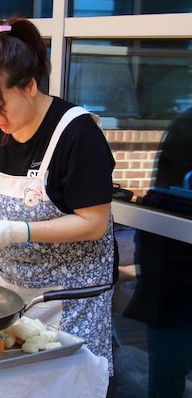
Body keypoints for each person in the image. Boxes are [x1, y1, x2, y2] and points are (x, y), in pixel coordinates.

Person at [0, 17, 116, 375]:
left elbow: (93, 223)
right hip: (10, 290)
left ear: (29, 85)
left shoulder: (76, 133)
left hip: (71, 298)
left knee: (64, 382)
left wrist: (17, 231)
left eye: (1, 106)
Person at [124, 107, 192, 398]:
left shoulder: (183, 122)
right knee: (168, 364)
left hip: (166, 267)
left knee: (166, 370)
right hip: (175, 268)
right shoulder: (186, 124)